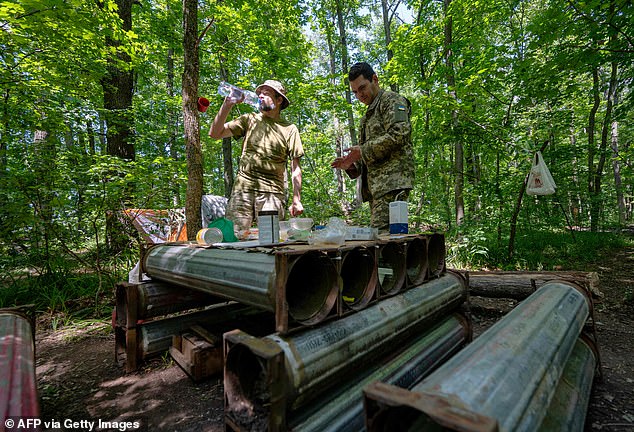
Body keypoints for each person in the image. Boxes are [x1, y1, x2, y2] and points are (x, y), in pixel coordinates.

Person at [209, 79, 304, 233]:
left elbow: (296, 169)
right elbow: (214, 133)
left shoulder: (289, 129)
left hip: (272, 193)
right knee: (233, 237)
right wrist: (227, 104)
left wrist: (296, 200)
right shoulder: (249, 119)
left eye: (266, 94)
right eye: (259, 94)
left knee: (270, 239)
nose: (260, 96)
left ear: (279, 100)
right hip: (242, 190)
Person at [331, 62, 414, 232]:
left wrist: (362, 151)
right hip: (377, 189)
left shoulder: (391, 100)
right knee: (384, 239)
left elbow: (399, 134)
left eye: (362, 88)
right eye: (355, 92)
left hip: (392, 184)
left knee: (384, 241)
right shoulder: (368, 115)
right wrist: (351, 165)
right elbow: (369, 156)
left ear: (375, 79)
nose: (359, 95)